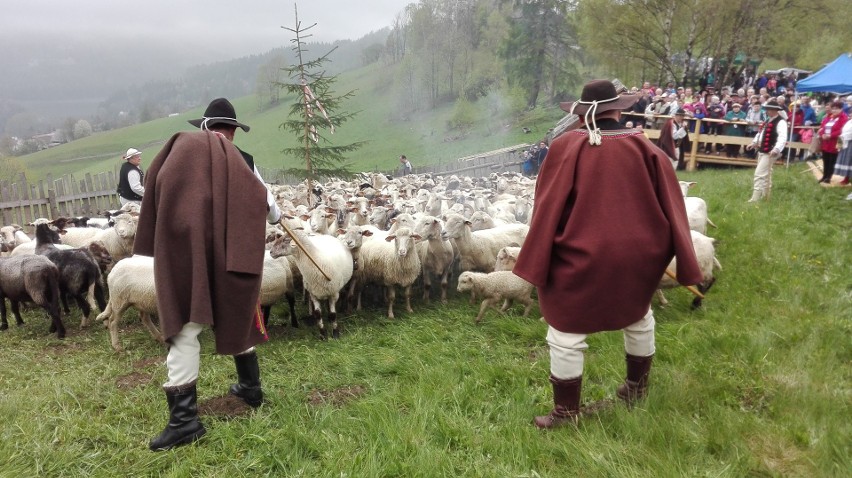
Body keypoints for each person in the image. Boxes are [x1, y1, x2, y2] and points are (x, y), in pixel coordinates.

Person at [512, 80, 702, 429]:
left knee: (566, 331)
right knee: (639, 315)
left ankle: (566, 413)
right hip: (642, 254)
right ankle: (635, 388)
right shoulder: (645, 148)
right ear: (618, 110)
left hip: (582, 255)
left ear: (583, 114)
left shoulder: (567, 146)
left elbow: (548, 204)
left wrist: (541, 252)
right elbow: (672, 201)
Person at [134, 97, 282, 451]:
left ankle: (184, 422)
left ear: (204, 127)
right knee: (238, 313)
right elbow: (272, 211)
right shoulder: (245, 162)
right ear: (232, 131)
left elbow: (157, 197)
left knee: (186, 329)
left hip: (191, 258)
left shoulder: (179, 157)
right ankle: (250, 388)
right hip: (234, 260)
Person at [745, 99, 787, 202]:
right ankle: (764, 194)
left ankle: (755, 198)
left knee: (759, 173)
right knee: (766, 174)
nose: (767, 111)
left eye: (769, 109)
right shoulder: (768, 120)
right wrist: (754, 142)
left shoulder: (781, 122)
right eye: (767, 109)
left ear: (775, 110)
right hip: (763, 150)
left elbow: (782, 137)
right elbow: (761, 133)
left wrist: (776, 149)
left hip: (770, 152)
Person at [816, 101, 849, 185]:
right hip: (825, 143)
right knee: (825, 160)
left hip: (835, 143)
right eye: (833, 109)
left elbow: (842, 130)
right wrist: (822, 134)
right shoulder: (829, 117)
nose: (834, 111)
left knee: (832, 161)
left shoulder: (844, 118)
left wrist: (830, 135)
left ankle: (828, 177)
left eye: (836, 109)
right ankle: (824, 175)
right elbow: (822, 127)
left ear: (841, 109)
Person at [834, 117, 852, 186]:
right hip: (845, 142)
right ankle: (846, 177)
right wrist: (840, 142)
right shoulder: (849, 122)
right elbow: (844, 132)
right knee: (847, 160)